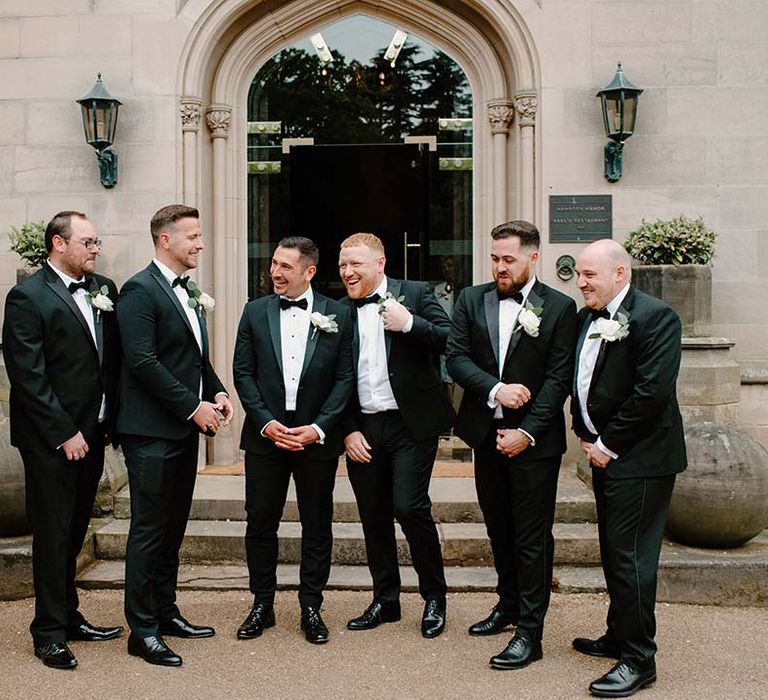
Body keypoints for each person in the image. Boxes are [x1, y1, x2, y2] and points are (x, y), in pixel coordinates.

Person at [446, 220, 578, 669]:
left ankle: (531, 631)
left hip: (535, 444)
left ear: (533, 258)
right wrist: (494, 389)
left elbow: (560, 378)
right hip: (486, 436)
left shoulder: (561, 307)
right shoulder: (471, 298)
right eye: (495, 259)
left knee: (532, 537)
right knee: (498, 528)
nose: (500, 267)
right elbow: (456, 357)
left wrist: (527, 432)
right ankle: (507, 604)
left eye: (509, 259)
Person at [3, 211, 123, 669]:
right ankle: (48, 632)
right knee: (52, 535)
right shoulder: (26, 297)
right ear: (59, 243)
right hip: (51, 441)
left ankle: (70, 616)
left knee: (74, 531)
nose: (96, 249)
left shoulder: (103, 290)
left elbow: (109, 363)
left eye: (97, 242)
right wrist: (64, 432)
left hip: (93, 433)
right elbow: (28, 377)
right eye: (88, 242)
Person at [117, 204, 234, 667]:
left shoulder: (186, 292)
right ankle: (141, 630)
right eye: (193, 236)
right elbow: (142, 362)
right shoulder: (139, 291)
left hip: (181, 431)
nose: (200, 243)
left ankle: (165, 611)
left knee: (173, 527)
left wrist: (218, 391)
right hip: (148, 432)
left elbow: (193, 357)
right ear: (166, 240)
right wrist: (193, 407)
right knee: (148, 530)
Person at [571, 239, 686, 698]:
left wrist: (605, 443)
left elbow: (651, 393)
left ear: (620, 274)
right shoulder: (587, 317)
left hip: (641, 458)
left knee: (632, 558)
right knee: (614, 551)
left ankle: (639, 660)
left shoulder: (657, 317)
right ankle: (618, 634)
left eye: (589, 275)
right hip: (605, 453)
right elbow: (584, 378)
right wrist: (583, 429)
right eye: (579, 274)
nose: (580, 283)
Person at [233, 237, 354, 645]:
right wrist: (265, 423)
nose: (275, 273)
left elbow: (344, 379)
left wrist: (320, 428)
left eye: (285, 266)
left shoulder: (338, 314)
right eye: (273, 264)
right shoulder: (254, 311)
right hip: (265, 439)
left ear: (309, 271)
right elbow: (243, 373)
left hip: (315, 440)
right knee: (260, 522)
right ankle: (261, 604)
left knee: (316, 523)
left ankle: (311, 606)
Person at [338, 232, 454, 638]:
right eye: (343, 265)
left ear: (381, 263)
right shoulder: (337, 311)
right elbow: (335, 380)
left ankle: (434, 596)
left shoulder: (417, 294)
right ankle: (386, 600)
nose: (348, 272)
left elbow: (451, 340)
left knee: (408, 507)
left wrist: (411, 325)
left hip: (411, 423)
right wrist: (348, 431)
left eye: (356, 264)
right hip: (364, 427)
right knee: (373, 515)